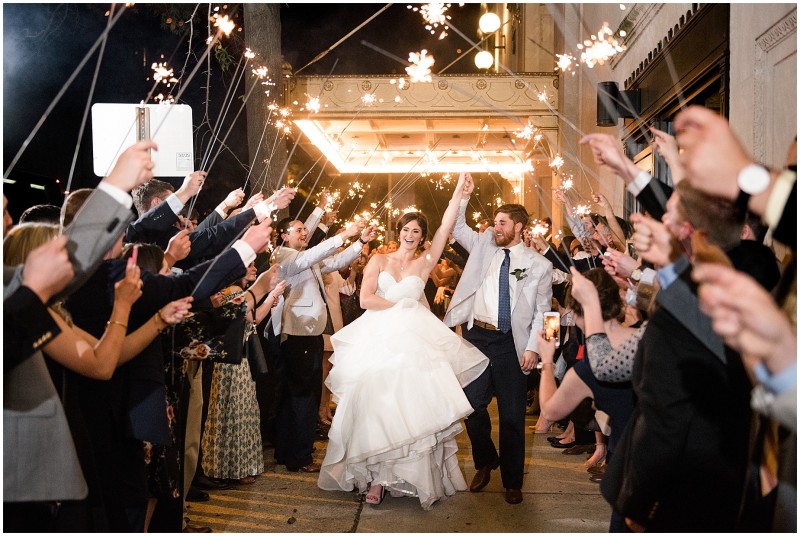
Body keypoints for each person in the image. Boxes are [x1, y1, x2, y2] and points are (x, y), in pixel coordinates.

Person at [319, 172, 489, 510]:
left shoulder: (427, 262)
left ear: (423, 237)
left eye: (417, 231)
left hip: (415, 341)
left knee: (411, 408)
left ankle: (399, 476)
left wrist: (458, 194)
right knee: (377, 405)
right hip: (379, 337)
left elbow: (445, 226)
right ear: (398, 232)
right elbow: (366, 299)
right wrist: (401, 304)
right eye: (406, 230)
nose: (411, 235)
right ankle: (376, 477)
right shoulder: (380, 260)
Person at [443, 176, 553, 505]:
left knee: (511, 417)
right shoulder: (482, 247)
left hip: (513, 345)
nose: (496, 227)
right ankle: (486, 460)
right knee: (471, 406)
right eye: (494, 222)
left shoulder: (539, 265)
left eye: (502, 223)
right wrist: (463, 196)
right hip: (477, 337)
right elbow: (457, 226)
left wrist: (537, 349)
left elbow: (547, 315)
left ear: (519, 227)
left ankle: (513, 481)